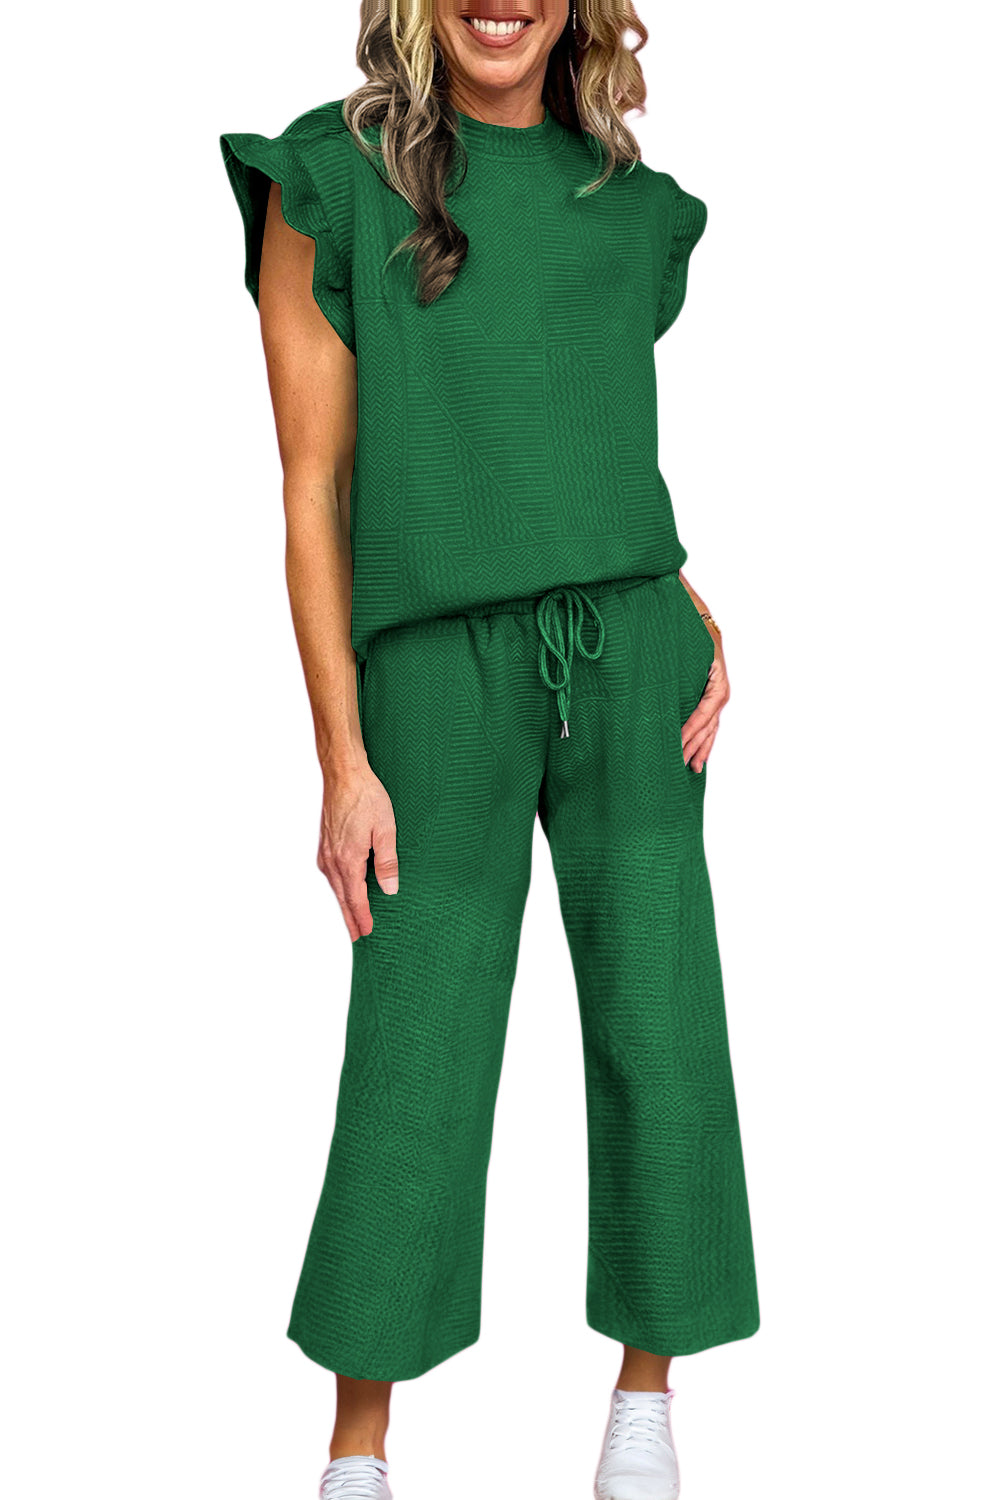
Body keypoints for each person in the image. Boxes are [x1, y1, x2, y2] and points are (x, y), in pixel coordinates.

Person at [219, 3, 760, 1497]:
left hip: (633, 659)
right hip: (433, 675)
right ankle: (358, 1451)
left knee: (658, 1026)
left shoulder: (631, 206)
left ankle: (643, 1407)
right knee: (417, 1045)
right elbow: (313, 484)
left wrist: (679, 598)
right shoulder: (329, 177)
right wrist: (340, 757)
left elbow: (586, 436)